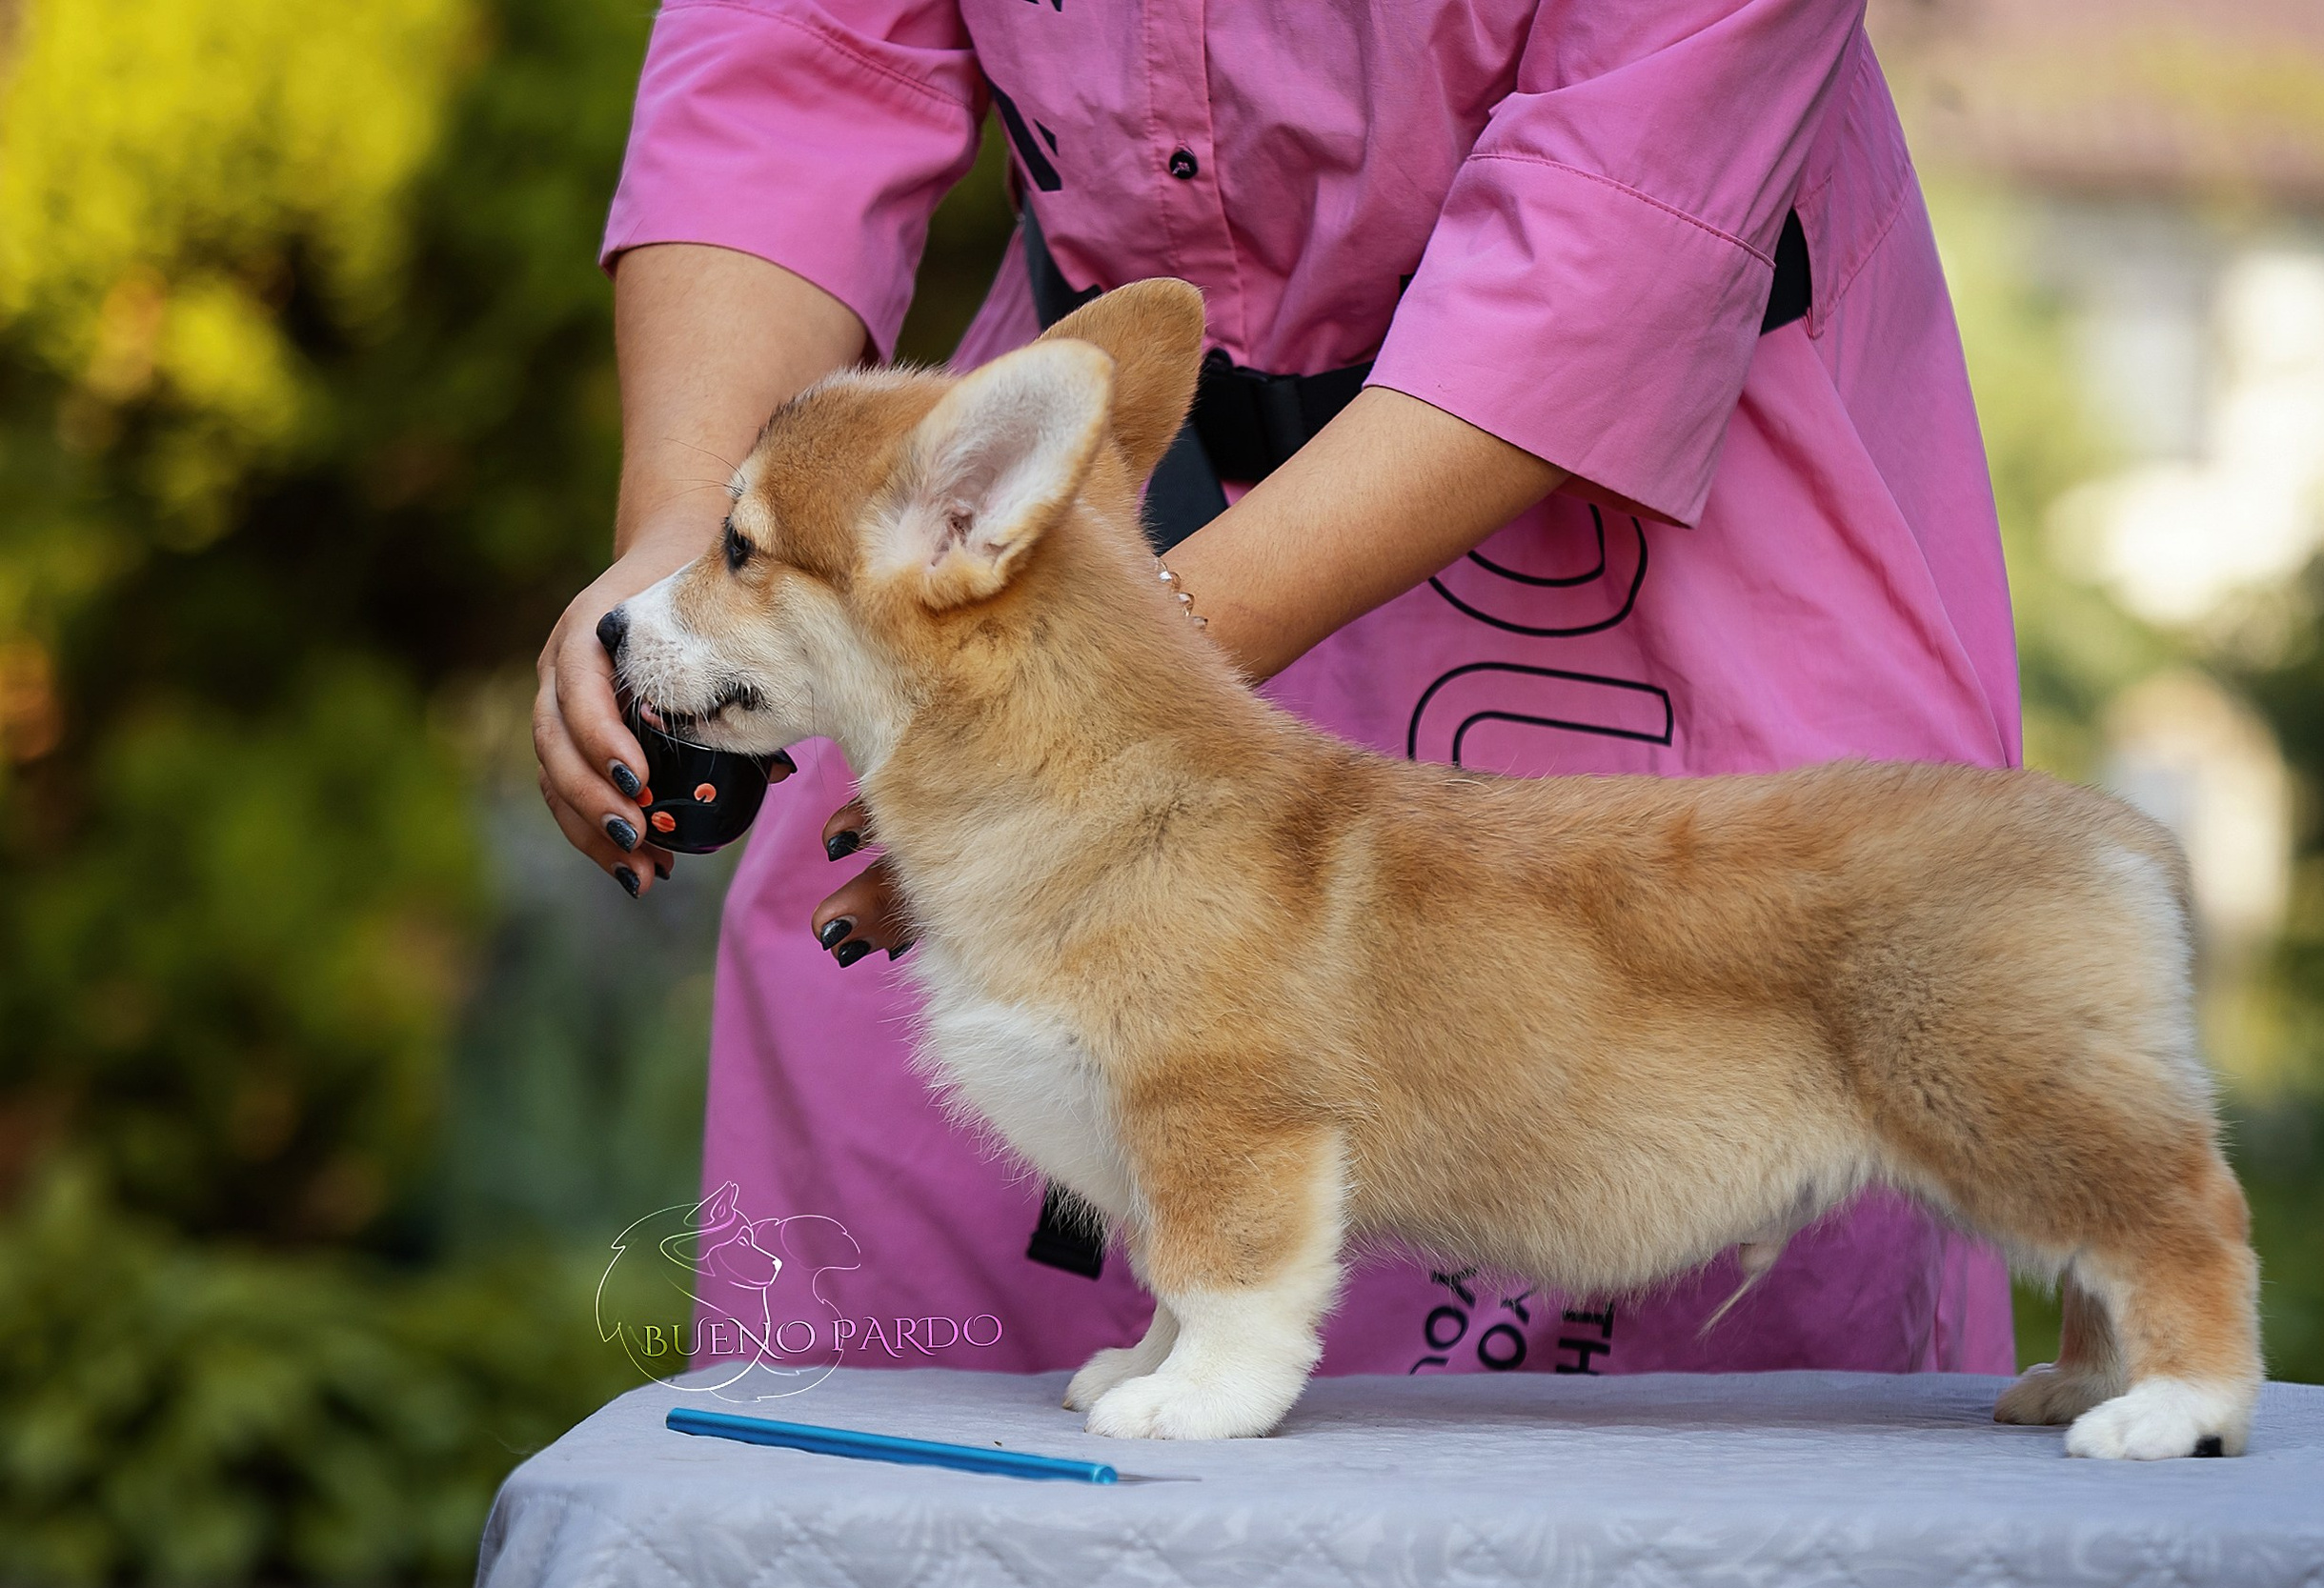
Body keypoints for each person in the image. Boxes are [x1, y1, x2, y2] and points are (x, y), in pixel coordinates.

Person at [534, 0, 2023, 1379]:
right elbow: (799, 68)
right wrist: (686, 543)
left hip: (1640, 510)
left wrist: (1063, 740)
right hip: (1054, 495)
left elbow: (1610, 237)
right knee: (898, 1175)